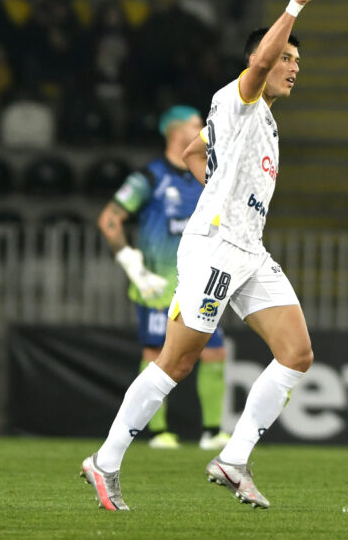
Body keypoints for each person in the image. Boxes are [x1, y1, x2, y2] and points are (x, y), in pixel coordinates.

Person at [80, 0, 325, 512]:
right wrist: (295, 5)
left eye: (297, 62)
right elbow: (255, 69)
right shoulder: (239, 97)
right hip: (216, 246)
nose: (293, 68)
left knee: (297, 352)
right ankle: (105, 461)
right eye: (287, 58)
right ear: (261, 58)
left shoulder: (256, 120)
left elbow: (194, 152)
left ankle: (233, 459)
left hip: (248, 248)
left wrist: (214, 187)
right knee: (177, 360)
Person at [97, 104, 230, 450]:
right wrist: (133, 266)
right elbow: (109, 220)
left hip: (202, 284)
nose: (203, 128)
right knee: (156, 354)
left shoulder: (207, 174)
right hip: (158, 286)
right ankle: (157, 433)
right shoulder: (150, 177)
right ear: (175, 131)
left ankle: (212, 432)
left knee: (214, 353)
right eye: (195, 124)